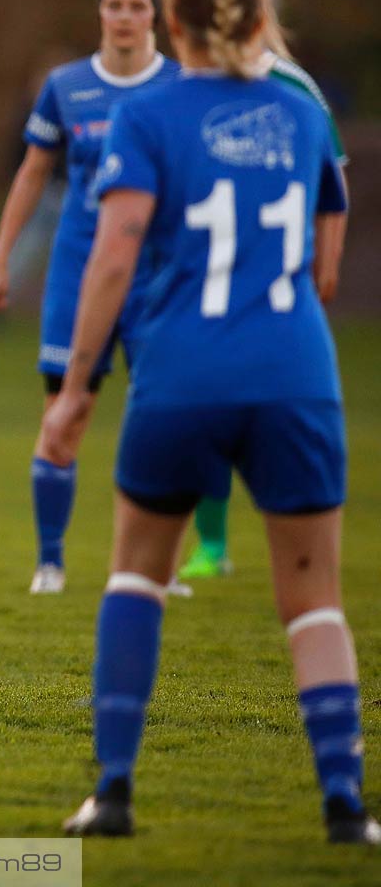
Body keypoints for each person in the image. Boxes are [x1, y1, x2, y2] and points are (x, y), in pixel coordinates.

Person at [44, 0, 375, 844]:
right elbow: (325, 267)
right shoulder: (304, 115)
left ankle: (112, 793)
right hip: (296, 374)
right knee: (313, 594)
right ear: (262, 15)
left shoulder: (149, 116)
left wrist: (75, 389)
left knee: (136, 577)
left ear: (173, 20)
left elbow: (113, 253)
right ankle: (345, 807)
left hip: (183, 374)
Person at [0, 0, 178, 594]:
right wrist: (0, 258)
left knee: (168, 415)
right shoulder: (66, 87)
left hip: (154, 272)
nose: (124, 16)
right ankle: (51, 562)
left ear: (155, 17)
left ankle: (159, 567)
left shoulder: (179, 86)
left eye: (136, 6)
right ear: (101, 13)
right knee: (66, 413)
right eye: (114, 4)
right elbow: (33, 175)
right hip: (77, 267)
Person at [174, 30, 351, 582]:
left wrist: (327, 261)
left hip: (275, 303)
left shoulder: (294, 89)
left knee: (261, 426)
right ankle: (212, 545)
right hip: (205, 293)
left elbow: (333, 175)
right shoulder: (183, 90)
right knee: (201, 423)